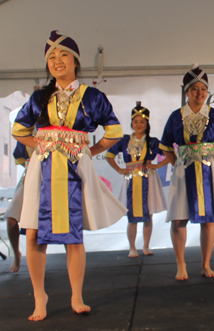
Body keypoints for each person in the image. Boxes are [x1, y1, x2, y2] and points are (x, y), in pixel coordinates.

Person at [12, 30, 127, 321]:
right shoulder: (39, 97)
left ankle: (76, 294)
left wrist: (92, 149)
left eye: (63, 55)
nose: (57, 61)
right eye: (51, 57)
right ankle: (40, 296)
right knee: (34, 233)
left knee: (74, 234)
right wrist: (40, 144)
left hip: (76, 165)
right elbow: (19, 130)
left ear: (75, 60)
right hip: (43, 167)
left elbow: (113, 132)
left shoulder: (93, 97)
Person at [160, 64, 214, 280]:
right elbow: (166, 146)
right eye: (195, 89)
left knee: (209, 219)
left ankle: (206, 264)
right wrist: (177, 163)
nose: (200, 94)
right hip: (184, 171)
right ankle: (181, 265)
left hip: (208, 173)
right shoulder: (176, 117)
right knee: (178, 218)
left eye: (203, 89)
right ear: (186, 91)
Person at [106, 102, 169, 258]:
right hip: (131, 179)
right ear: (131, 123)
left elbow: (170, 153)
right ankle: (132, 247)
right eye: (136, 121)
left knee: (149, 214)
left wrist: (158, 165)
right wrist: (119, 169)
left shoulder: (153, 141)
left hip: (149, 178)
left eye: (142, 121)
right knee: (131, 215)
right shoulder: (124, 140)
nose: (139, 124)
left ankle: (146, 246)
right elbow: (109, 155)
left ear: (147, 123)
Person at [4, 142, 33, 272]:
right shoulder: (26, 131)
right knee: (11, 218)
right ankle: (16, 254)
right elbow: (19, 158)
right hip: (29, 177)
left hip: (51, 178)